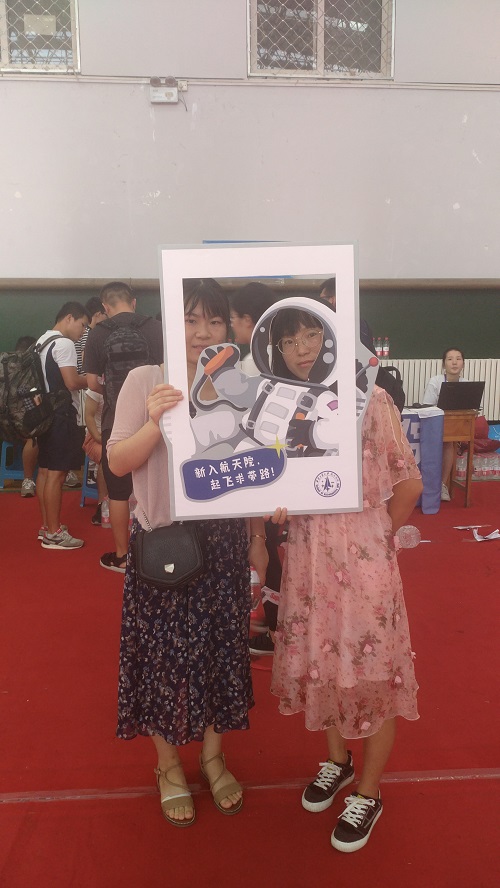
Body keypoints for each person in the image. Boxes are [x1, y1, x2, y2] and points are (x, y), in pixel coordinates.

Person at [107, 278, 269, 827]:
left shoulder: (241, 385)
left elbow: (254, 468)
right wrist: (156, 421)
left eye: (214, 321)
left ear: (229, 329)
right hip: (163, 544)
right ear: (172, 323)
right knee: (160, 658)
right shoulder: (145, 379)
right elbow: (118, 462)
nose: (203, 332)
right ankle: (168, 765)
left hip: (223, 545)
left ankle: (213, 756)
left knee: (222, 653)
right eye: (191, 319)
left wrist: (257, 537)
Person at [269, 304, 423, 853]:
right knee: (325, 664)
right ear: (278, 350)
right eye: (291, 340)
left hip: (364, 567)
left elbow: (409, 484)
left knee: (375, 675)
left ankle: (369, 792)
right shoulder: (283, 404)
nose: (304, 348)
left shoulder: (371, 401)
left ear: (335, 339)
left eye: (313, 334)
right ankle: (337, 761)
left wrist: (374, 539)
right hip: (309, 564)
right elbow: (273, 481)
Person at [84, 281, 163, 572]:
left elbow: (92, 383)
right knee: (157, 486)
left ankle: (122, 556)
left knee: (118, 492)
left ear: (105, 307)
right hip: (156, 420)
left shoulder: (97, 333)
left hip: (114, 421)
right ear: (134, 301)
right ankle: (161, 551)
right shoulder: (155, 328)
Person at [229, 282, 283, 656]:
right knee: (273, 548)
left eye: (232, 319)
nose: (231, 326)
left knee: (270, 550)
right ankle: (274, 617)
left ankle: (278, 629)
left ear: (248, 320)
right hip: (279, 462)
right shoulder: (276, 354)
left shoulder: (251, 364)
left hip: (263, 466)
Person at [36, 302, 89, 549]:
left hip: (45, 414)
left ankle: (47, 526)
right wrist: (92, 379)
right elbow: (72, 382)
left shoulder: (41, 341)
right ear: (69, 318)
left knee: (45, 472)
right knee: (56, 474)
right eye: (82, 325)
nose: (83, 331)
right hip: (62, 415)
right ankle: (54, 534)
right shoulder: (64, 343)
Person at [423, 347, 466, 501]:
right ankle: (429, 485)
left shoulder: (466, 384)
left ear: (463, 364)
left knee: (449, 443)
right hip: (434, 423)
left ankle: (442, 485)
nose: (454, 362)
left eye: (458, 359)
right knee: (445, 443)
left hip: (453, 426)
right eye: (450, 359)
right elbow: (427, 406)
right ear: (444, 364)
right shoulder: (435, 381)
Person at [14, 336, 39, 498]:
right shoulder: (28, 378)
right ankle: (28, 480)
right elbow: (33, 410)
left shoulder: (6, 370)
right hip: (17, 427)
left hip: (7, 425)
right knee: (35, 437)